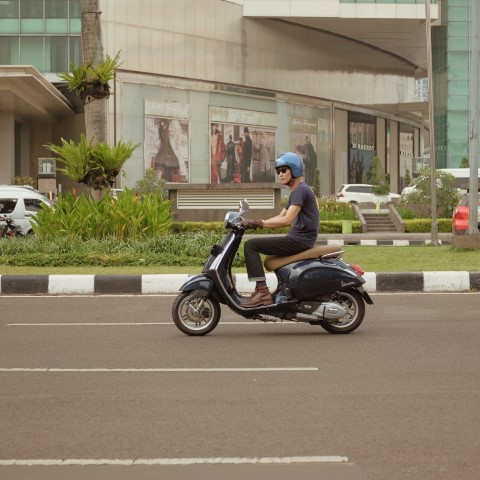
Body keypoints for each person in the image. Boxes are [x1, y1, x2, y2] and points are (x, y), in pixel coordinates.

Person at [240, 152, 320, 307]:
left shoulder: (301, 191)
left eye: (283, 170)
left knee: (251, 246)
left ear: (294, 170)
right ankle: (266, 291)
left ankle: (262, 292)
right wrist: (256, 223)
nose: (280, 174)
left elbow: (287, 220)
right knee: (256, 247)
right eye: (278, 171)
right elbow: (280, 216)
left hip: (299, 241)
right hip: (299, 239)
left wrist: (259, 223)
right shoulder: (297, 192)